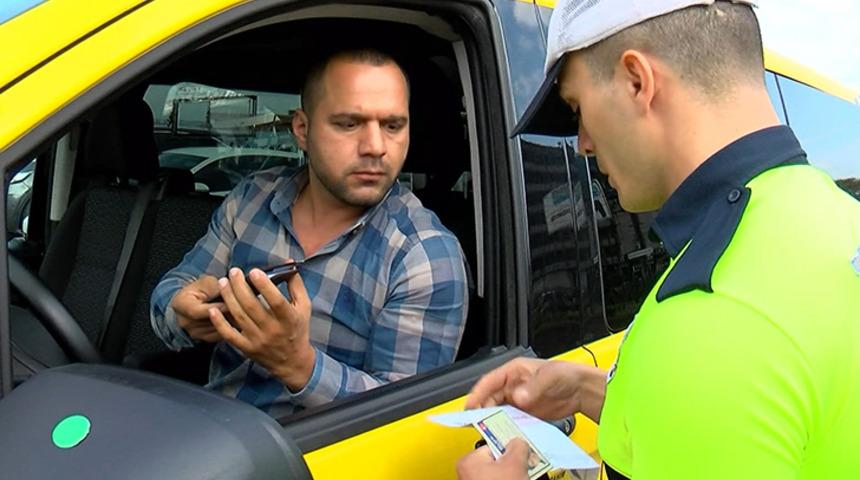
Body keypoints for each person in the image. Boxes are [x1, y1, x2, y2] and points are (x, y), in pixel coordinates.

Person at [458, 0, 860, 479]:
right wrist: (590, 391)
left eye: (576, 108)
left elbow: (715, 384)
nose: (582, 141)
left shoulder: (710, 318)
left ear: (636, 81)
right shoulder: (833, 217)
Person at [150, 48, 469, 418]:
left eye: (393, 126)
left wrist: (299, 365)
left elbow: (405, 418)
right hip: (212, 428)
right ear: (302, 129)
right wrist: (181, 312)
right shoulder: (252, 199)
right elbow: (176, 287)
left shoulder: (424, 256)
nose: (376, 148)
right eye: (349, 124)